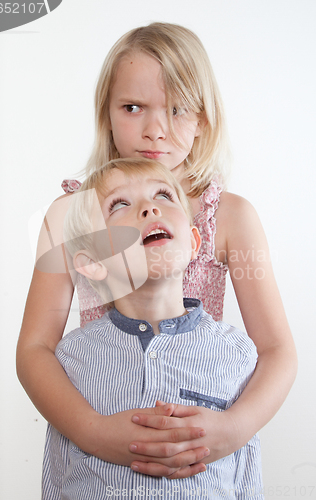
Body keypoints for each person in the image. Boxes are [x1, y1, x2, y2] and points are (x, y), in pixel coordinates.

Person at [17, 22, 297, 479]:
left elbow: (278, 350)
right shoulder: (73, 213)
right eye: (133, 107)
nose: (156, 131)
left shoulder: (230, 217)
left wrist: (233, 428)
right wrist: (92, 431)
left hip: (200, 449)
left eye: (178, 110)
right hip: (102, 441)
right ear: (106, 113)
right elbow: (34, 348)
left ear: (205, 119)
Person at [43, 158, 263, 499]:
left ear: (193, 242)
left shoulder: (237, 354)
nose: (149, 209)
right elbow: (57, 479)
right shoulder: (70, 361)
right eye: (120, 204)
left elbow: (248, 480)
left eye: (163, 195)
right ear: (93, 264)